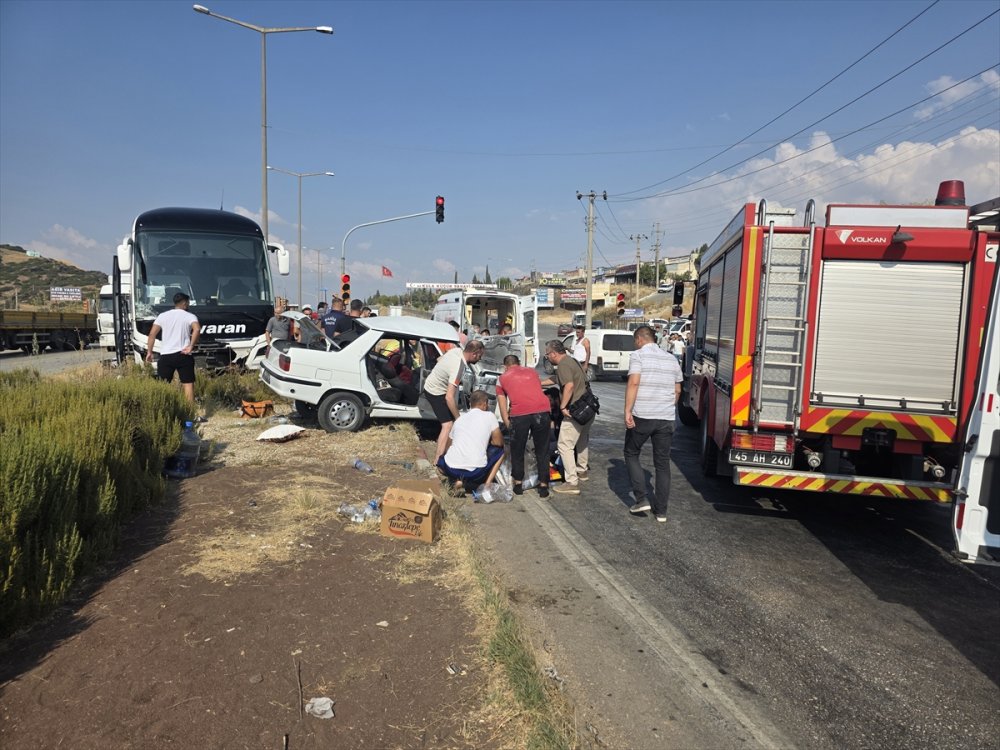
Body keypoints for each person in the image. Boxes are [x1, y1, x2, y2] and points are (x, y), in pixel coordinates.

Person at [624, 325, 683, 523]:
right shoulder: (671, 359)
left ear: (640, 339)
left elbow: (633, 382)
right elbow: (677, 390)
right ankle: (661, 512)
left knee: (631, 452)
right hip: (666, 417)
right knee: (662, 463)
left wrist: (627, 410)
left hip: (643, 415)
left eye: (635, 341)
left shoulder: (638, 355)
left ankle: (641, 499)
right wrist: (666, 407)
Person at [496, 354, 551, 498]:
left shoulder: (501, 379)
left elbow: (502, 406)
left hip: (520, 414)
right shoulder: (532, 372)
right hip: (542, 411)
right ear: (519, 363)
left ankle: (518, 483)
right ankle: (544, 485)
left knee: (517, 448)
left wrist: (508, 424)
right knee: (542, 449)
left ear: (505, 367)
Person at [423, 340, 486, 463]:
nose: (479, 359)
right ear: (474, 353)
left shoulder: (456, 351)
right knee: (448, 425)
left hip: (432, 383)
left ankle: (446, 447)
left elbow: (439, 360)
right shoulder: (459, 366)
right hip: (435, 392)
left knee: (450, 421)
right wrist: (459, 418)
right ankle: (438, 460)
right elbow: (449, 398)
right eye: (480, 356)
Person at [543, 339, 590, 494]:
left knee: (564, 444)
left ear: (554, 353)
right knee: (582, 440)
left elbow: (568, 385)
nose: (547, 357)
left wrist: (563, 406)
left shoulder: (562, 364)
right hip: (588, 408)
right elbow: (559, 379)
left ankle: (571, 482)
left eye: (547, 354)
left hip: (575, 410)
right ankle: (582, 471)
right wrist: (540, 383)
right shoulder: (572, 361)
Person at [436, 390, 506, 494]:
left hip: (450, 468)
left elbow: (447, 447)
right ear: (485, 404)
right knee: (502, 451)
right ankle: (485, 486)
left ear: (470, 404)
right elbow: (498, 442)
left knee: (441, 461)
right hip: (474, 472)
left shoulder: (459, 419)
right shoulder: (490, 416)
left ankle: (456, 480)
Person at [145, 292, 200, 403]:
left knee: (163, 385)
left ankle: (162, 409)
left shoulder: (163, 316)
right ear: (184, 303)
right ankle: (189, 413)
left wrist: (149, 352)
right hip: (183, 354)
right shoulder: (190, 316)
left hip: (166, 355)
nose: (188, 305)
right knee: (188, 384)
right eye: (188, 303)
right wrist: (191, 346)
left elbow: (152, 335)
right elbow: (197, 329)